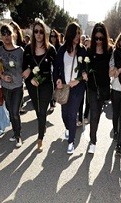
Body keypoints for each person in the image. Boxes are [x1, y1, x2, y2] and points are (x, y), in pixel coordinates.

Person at [53, 22, 88, 154]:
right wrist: (58, 80)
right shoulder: (62, 50)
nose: (78, 36)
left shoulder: (82, 50)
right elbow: (56, 68)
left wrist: (81, 77)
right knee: (64, 114)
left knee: (73, 114)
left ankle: (71, 142)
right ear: (70, 34)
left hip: (78, 88)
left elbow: (85, 68)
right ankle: (68, 128)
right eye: (76, 33)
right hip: (64, 87)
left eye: (79, 33)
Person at [22, 19, 56, 152]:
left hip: (47, 84)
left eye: (41, 31)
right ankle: (43, 124)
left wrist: (59, 80)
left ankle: (40, 138)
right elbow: (23, 67)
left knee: (42, 110)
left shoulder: (50, 49)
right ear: (33, 33)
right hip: (32, 85)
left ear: (44, 33)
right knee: (38, 111)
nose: (38, 34)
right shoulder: (28, 49)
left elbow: (58, 66)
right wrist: (30, 78)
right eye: (36, 31)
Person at [0, 24, 25, 147]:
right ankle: (15, 131)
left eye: (8, 33)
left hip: (17, 86)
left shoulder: (20, 51)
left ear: (13, 34)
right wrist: (2, 76)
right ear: (1, 36)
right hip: (5, 87)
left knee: (14, 112)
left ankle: (18, 136)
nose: (6, 36)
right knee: (9, 110)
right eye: (4, 34)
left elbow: (26, 67)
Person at [85, 22, 112, 154]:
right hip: (92, 87)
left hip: (104, 87)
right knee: (94, 114)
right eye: (96, 38)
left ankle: (93, 134)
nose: (99, 41)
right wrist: (84, 72)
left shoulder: (109, 51)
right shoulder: (89, 51)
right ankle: (93, 141)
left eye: (101, 38)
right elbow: (84, 66)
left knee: (97, 115)